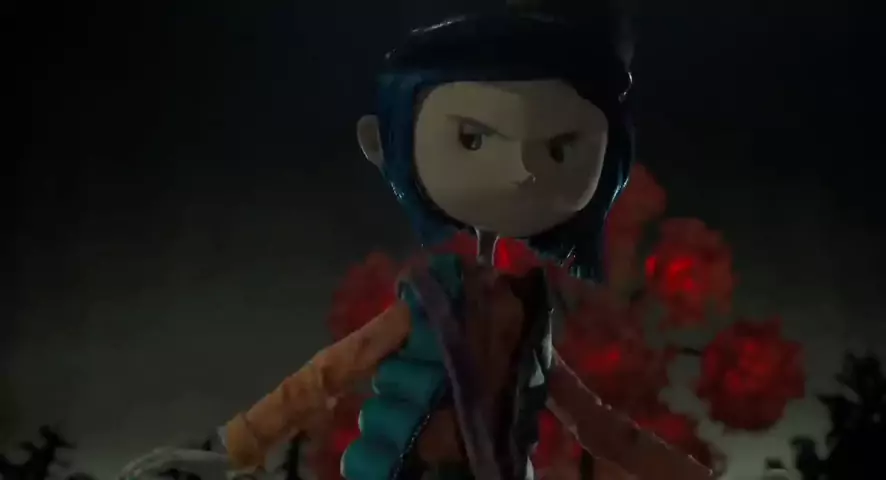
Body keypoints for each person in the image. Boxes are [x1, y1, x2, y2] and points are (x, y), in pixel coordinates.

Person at [121, 4, 714, 480]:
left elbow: (600, 427)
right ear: (385, 141)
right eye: (473, 139)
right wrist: (228, 448)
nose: (522, 173)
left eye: (560, 149)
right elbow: (325, 376)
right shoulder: (433, 300)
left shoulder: (526, 316)